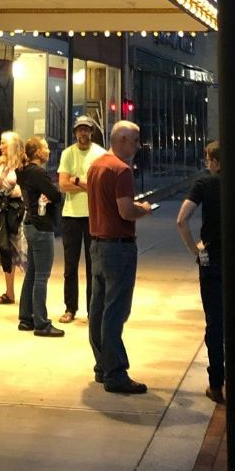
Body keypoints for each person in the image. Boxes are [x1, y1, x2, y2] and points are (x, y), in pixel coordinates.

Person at [86, 120, 155, 395]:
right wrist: (145, 209)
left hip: (97, 244)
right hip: (119, 246)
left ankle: (102, 366)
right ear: (122, 140)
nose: (139, 146)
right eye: (135, 140)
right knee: (116, 310)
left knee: (99, 308)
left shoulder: (96, 166)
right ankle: (115, 373)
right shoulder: (122, 170)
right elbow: (126, 211)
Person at [177, 140, 223, 404]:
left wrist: (196, 250)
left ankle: (216, 383)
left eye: (208, 159)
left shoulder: (204, 184)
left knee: (214, 324)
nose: (207, 163)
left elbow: (182, 219)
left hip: (212, 260)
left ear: (214, 161)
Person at [57, 114, 106, 322]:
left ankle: (92, 311)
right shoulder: (68, 153)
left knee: (94, 266)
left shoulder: (100, 154)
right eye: (79, 130)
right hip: (71, 217)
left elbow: (100, 186)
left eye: (86, 129)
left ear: (91, 132)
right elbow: (62, 184)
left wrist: (74, 180)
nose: (83, 133)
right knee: (70, 267)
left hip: (94, 216)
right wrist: (85, 182)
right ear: (75, 132)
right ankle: (70, 308)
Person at [15, 135, 64, 337]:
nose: (49, 151)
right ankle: (41, 323)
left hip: (29, 223)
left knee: (33, 273)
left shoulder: (24, 172)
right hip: (41, 226)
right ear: (37, 152)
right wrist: (52, 194)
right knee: (42, 276)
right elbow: (56, 195)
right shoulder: (38, 173)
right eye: (45, 148)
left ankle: (26, 318)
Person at [0, 130, 26, 305]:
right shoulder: (1, 165)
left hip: (20, 211)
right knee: (6, 249)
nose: (0, 146)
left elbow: (23, 189)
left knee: (24, 251)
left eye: (3, 143)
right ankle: (9, 293)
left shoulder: (23, 164)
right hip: (3, 210)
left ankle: (28, 293)